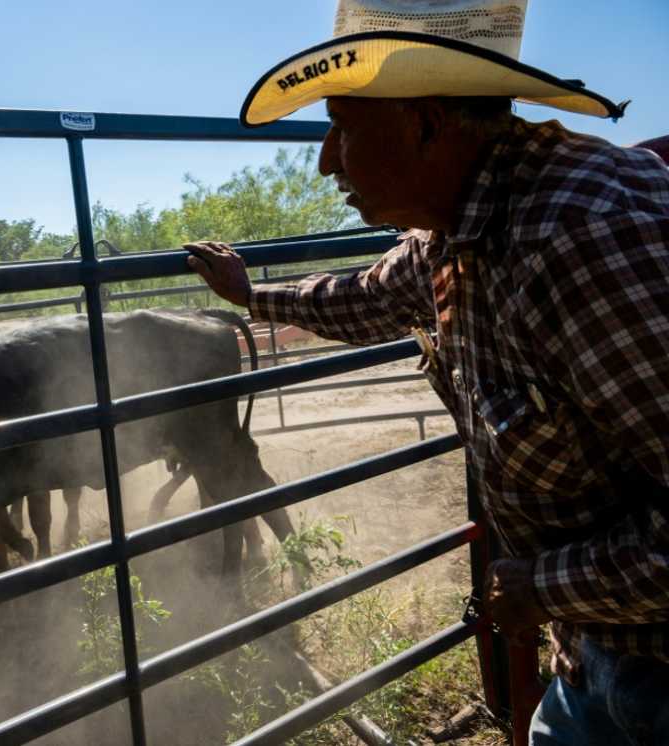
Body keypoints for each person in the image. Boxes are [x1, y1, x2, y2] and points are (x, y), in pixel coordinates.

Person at [185, 2, 669, 744]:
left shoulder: (582, 244)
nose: (326, 160)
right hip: (593, 647)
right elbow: (365, 298)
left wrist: (542, 585)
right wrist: (253, 296)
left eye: (342, 126)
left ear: (424, 123)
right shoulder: (456, 230)